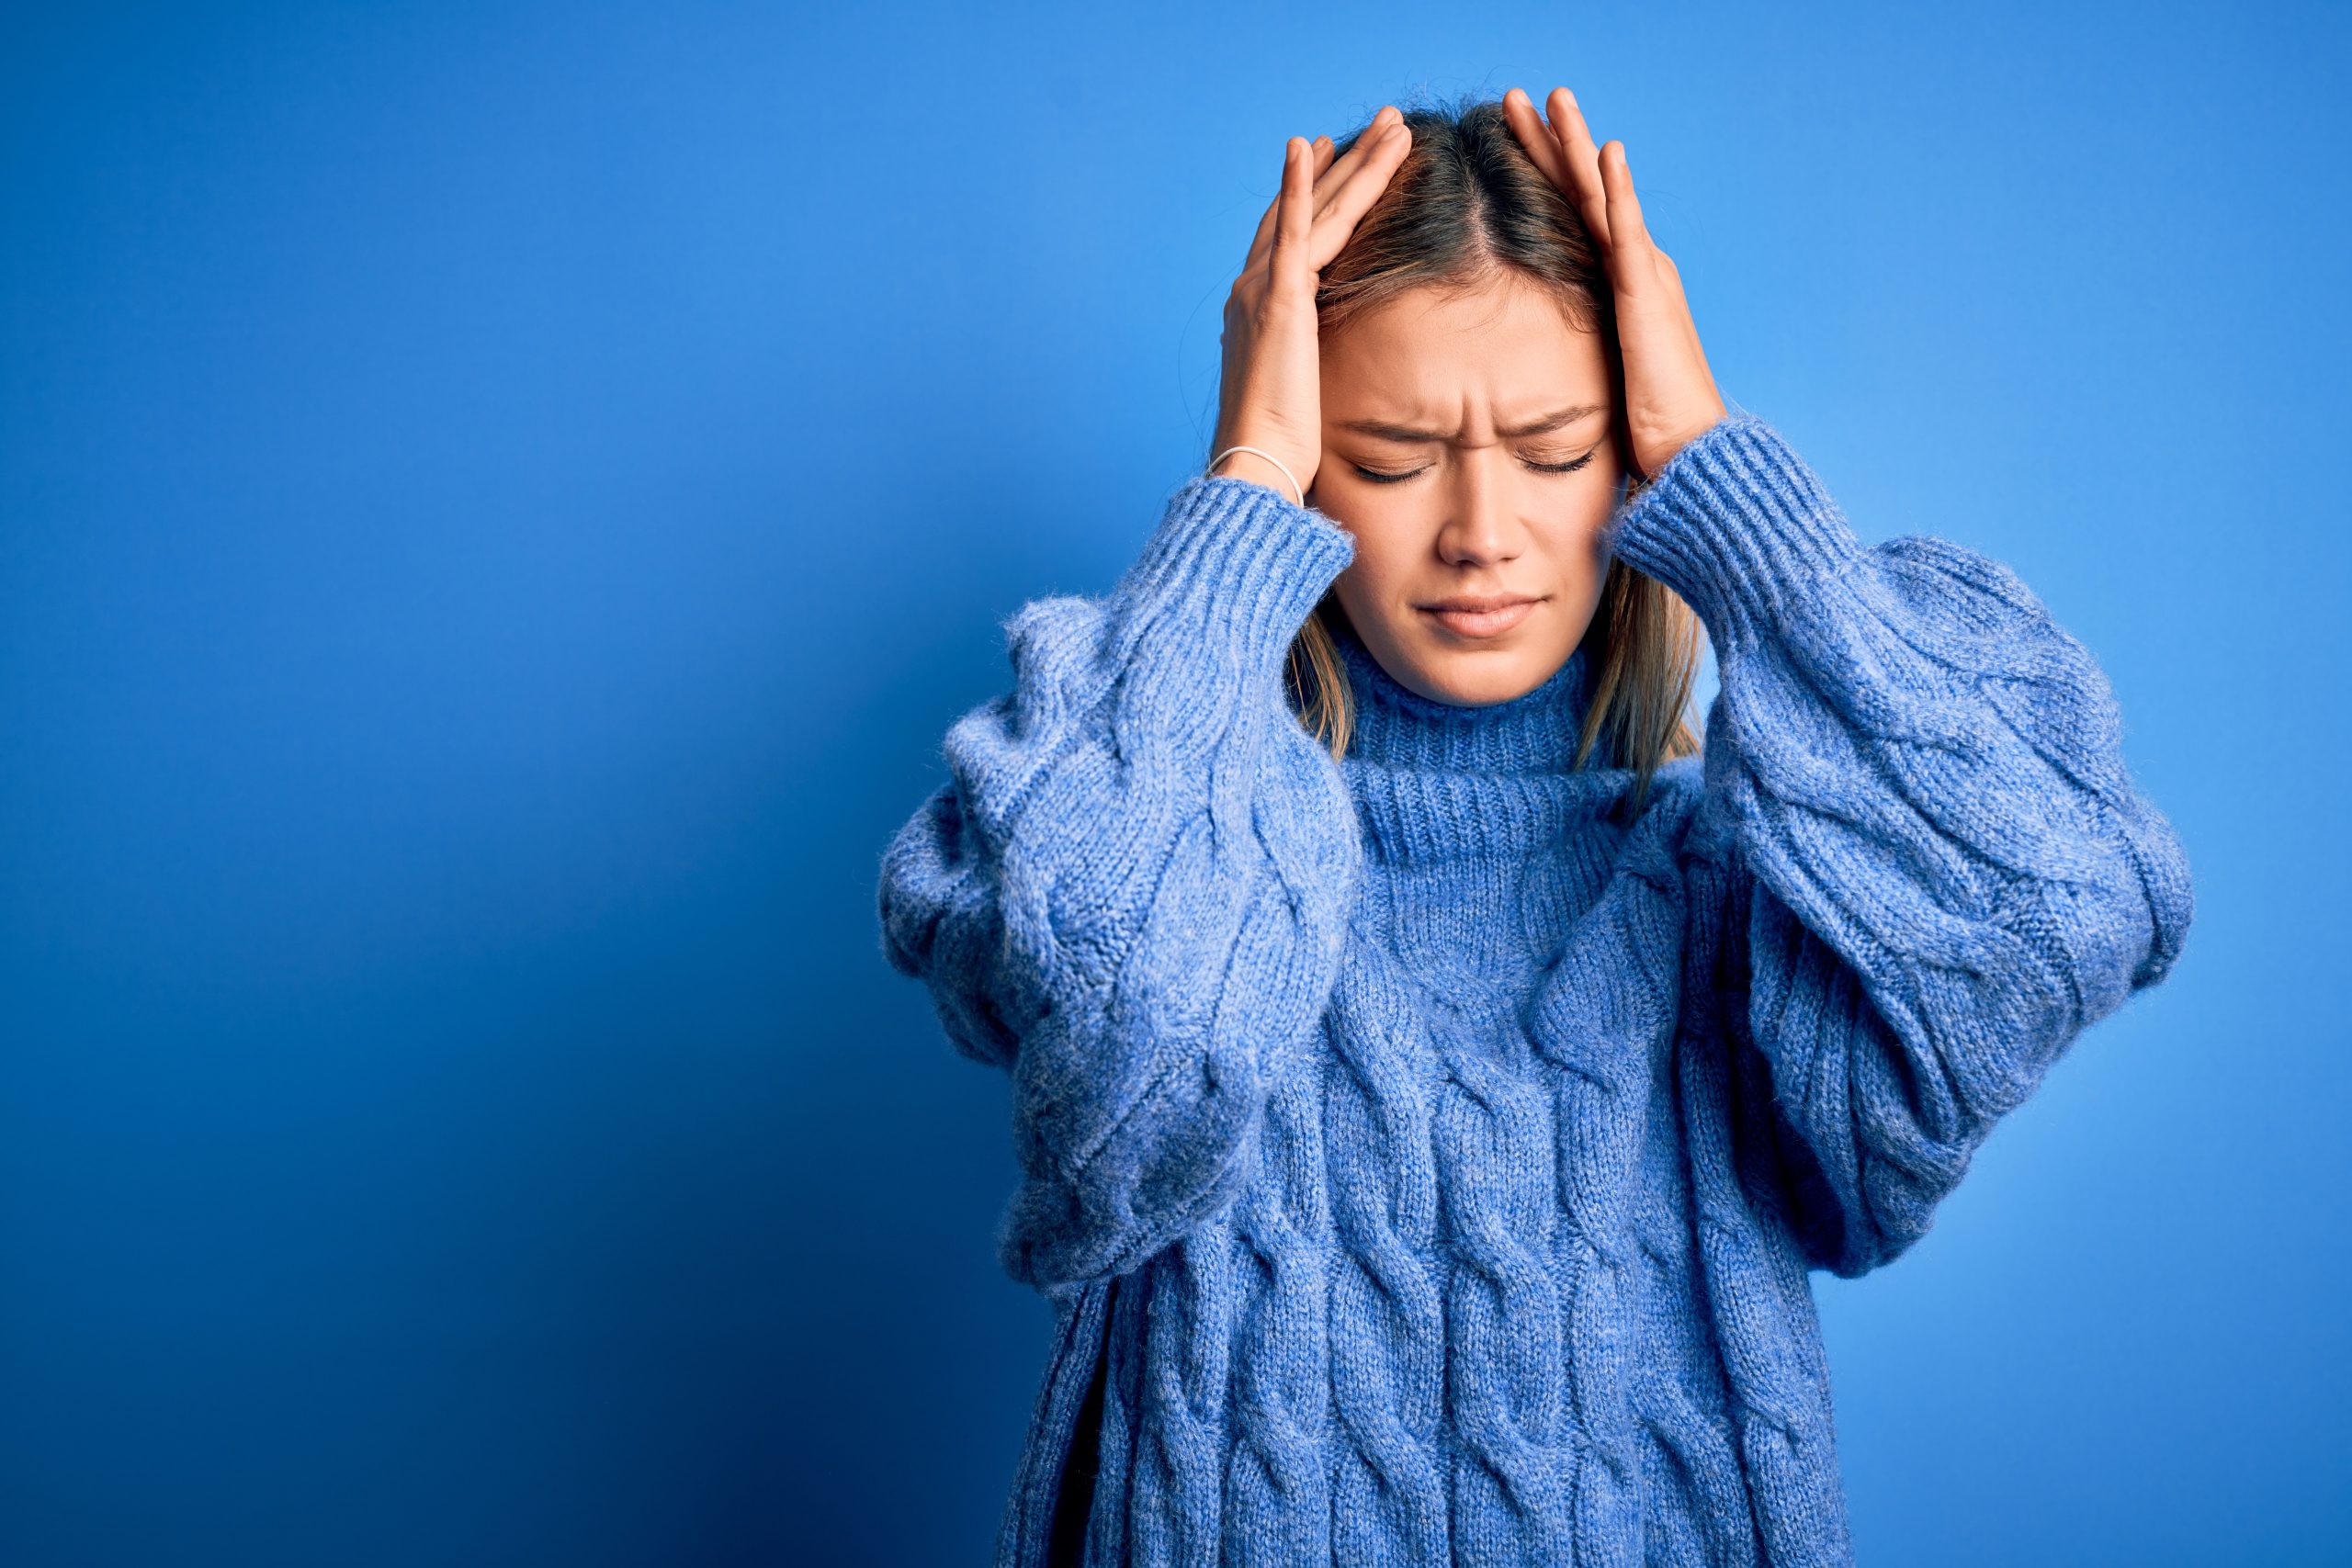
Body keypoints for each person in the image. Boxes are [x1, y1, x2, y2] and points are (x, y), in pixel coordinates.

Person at [876, 86, 2195, 1568]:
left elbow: (2064, 908)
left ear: (1631, 463)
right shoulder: (1168, 834)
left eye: (1559, 452)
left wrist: (1730, 495)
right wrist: (1240, 494)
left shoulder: (1739, 896)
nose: (1481, 532)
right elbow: (1125, 1021)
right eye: (1385, 460)